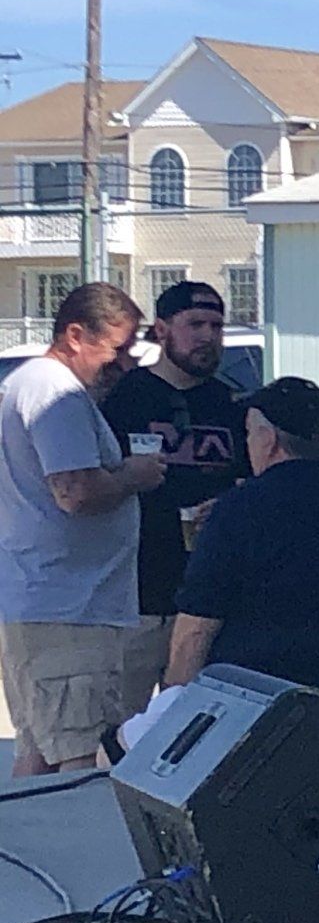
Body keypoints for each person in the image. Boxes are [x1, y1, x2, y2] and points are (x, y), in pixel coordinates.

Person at [166, 378, 319, 730]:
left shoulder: (238, 510)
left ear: (268, 438)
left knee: (113, 752)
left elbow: (197, 627)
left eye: (248, 433)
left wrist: (174, 703)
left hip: (262, 709)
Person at [0, 283, 163, 775]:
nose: (125, 363)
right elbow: (75, 491)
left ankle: (27, 847)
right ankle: (78, 852)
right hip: (71, 610)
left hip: (42, 602)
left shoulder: (24, 383)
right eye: (117, 348)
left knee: (38, 753)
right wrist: (135, 474)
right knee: (80, 760)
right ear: (75, 335)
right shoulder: (58, 394)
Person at [101, 280, 248, 717]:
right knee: (115, 735)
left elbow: (253, 483)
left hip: (207, 601)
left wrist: (229, 504)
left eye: (217, 326)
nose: (207, 336)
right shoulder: (125, 398)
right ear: (162, 330)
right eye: (195, 324)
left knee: (193, 731)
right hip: (137, 597)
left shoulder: (231, 404)